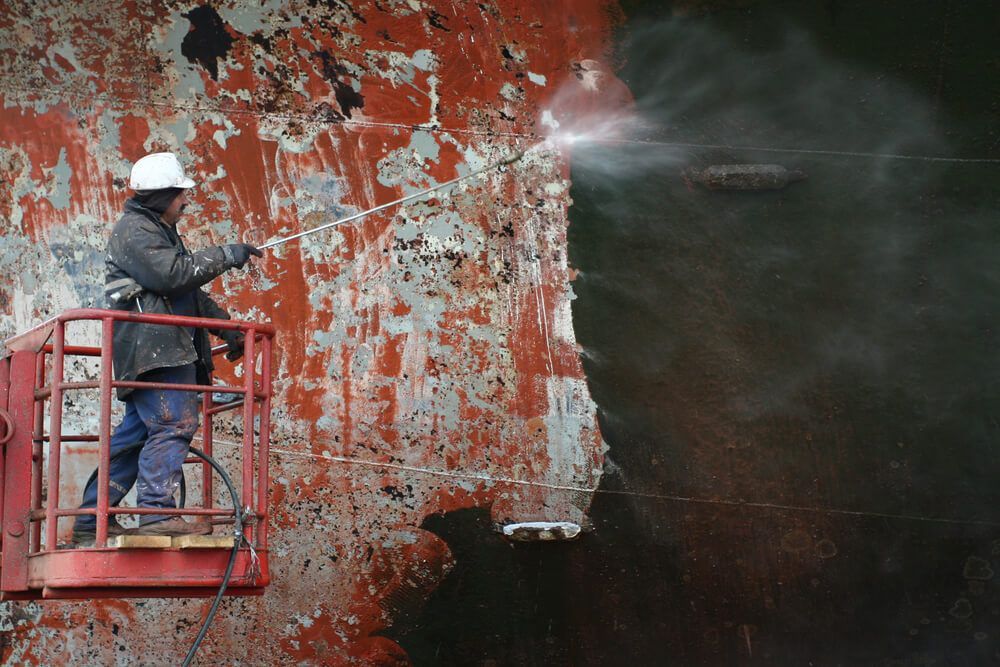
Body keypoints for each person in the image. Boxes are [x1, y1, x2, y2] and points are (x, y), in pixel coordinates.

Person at [71, 152, 262, 545]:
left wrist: (226, 327)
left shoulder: (154, 229)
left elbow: (184, 288)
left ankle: (90, 521)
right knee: (175, 423)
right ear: (163, 196)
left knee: (133, 439)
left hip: (154, 350)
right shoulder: (136, 230)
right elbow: (173, 275)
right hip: (157, 351)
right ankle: (156, 512)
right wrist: (227, 255)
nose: (186, 203)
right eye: (180, 195)